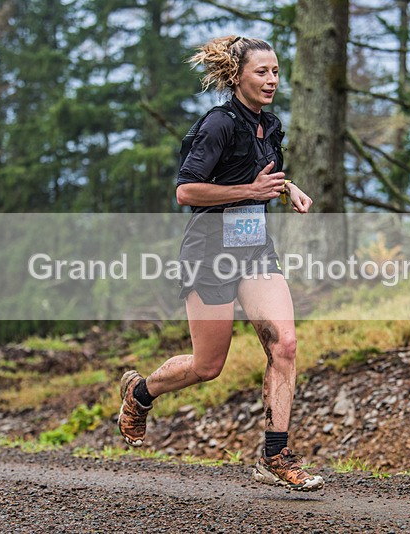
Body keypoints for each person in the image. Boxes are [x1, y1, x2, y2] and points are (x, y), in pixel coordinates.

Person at [118, 35, 323, 491]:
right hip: (208, 254)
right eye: (262, 72)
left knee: (284, 345)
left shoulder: (269, 125)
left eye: (275, 71)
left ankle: (276, 454)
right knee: (208, 366)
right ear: (237, 76)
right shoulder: (218, 124)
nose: (272, 80)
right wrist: (250, 193)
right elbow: (187, 191)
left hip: (254, 252)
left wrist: (289, 188)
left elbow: (261, 174)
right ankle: (140, 392)